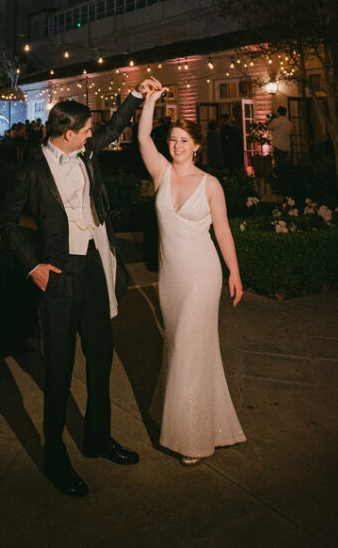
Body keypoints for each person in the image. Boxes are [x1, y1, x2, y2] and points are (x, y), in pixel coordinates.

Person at [0, 79, 160, 497]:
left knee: (101, 358)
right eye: (86, 129)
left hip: (94, 267)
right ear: (68, 134)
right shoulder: (30, 171)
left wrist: (137, 95)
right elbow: (6, 223)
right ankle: (55, 458)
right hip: (57, 274)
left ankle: (97, 438)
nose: (93, 133)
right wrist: (32, 266)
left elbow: (114, 128)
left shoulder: (86, 152)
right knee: (57, 370)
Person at [138, 91, 246, 465]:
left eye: (184, 141)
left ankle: (191, 440)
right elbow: (140, 138)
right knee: (184, 348)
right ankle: (200, 419)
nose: (177, 146)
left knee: (187, 346)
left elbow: (224, 232)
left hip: (203, 274)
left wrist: (234, 271)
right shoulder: (160, 173)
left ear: (197, 146)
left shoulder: (210, 184)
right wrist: (149, 99)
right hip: (171, 280)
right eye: (172, 140)